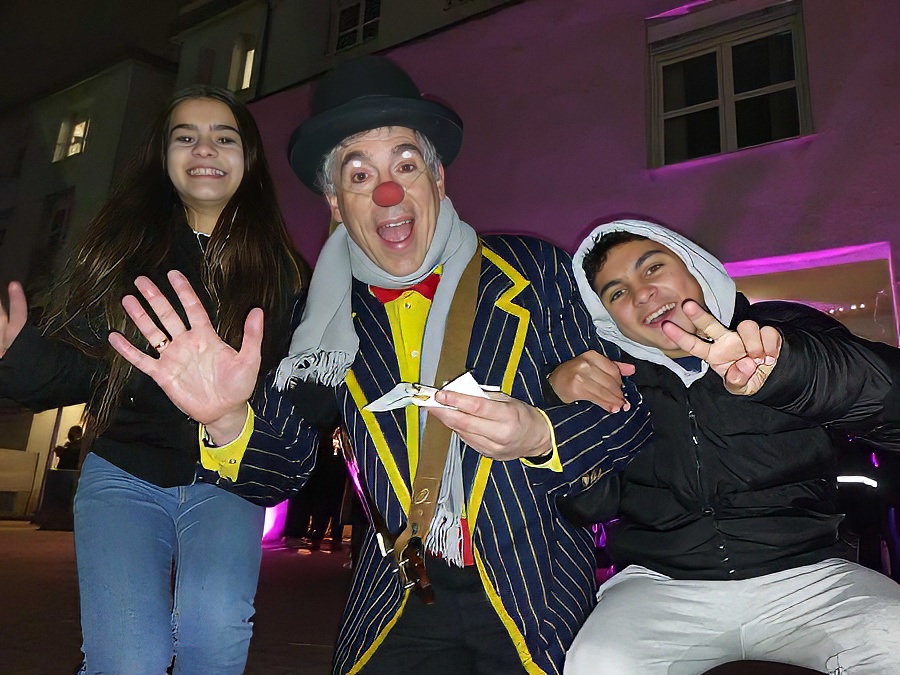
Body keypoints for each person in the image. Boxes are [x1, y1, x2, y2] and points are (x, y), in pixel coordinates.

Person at [108, 56, 654, 674]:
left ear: (438, 180)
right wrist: (230, 420)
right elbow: (284, 469)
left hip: (536, 589)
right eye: (359, 174)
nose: (388, 192)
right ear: (336, 202)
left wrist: (542, 434)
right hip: (399, 596)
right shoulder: (316, 319)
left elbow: (629, 421)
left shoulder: (536, 272)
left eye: (405, 165)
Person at [0, 85, 317, 674]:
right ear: (162, 157)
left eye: (224, 137)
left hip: (227, 481)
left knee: (215, 633)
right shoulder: (122, 251)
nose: (205, 148)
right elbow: (81, 369)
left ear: (248, 159)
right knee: (128, 662)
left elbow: (297, 399)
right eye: (185, 136)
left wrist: (239, 418)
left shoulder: (286, 272)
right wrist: (14, 354)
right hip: (125, 472)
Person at [550, 219, 900, 674]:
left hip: (809, 575)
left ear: (694, 267)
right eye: (616, 293)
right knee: (598, 664)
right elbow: (589, 506)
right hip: (662, 585)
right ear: (607, 319)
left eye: (652, 268)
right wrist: (557, 412)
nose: (641, 294)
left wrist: (790, 373)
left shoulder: (782, 330)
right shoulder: (612, 379)